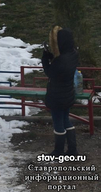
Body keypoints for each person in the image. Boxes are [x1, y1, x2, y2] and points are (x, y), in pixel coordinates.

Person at [41, 26, 78, 156]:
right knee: (66, 120)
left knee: (58, 123)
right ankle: (72, 150)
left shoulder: (61, 61)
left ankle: (58, 151)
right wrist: (52, 56)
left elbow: (50, 72)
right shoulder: (73, 54)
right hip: (67, 94)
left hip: (57, 96)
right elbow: (60, 65)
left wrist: (45, 59)